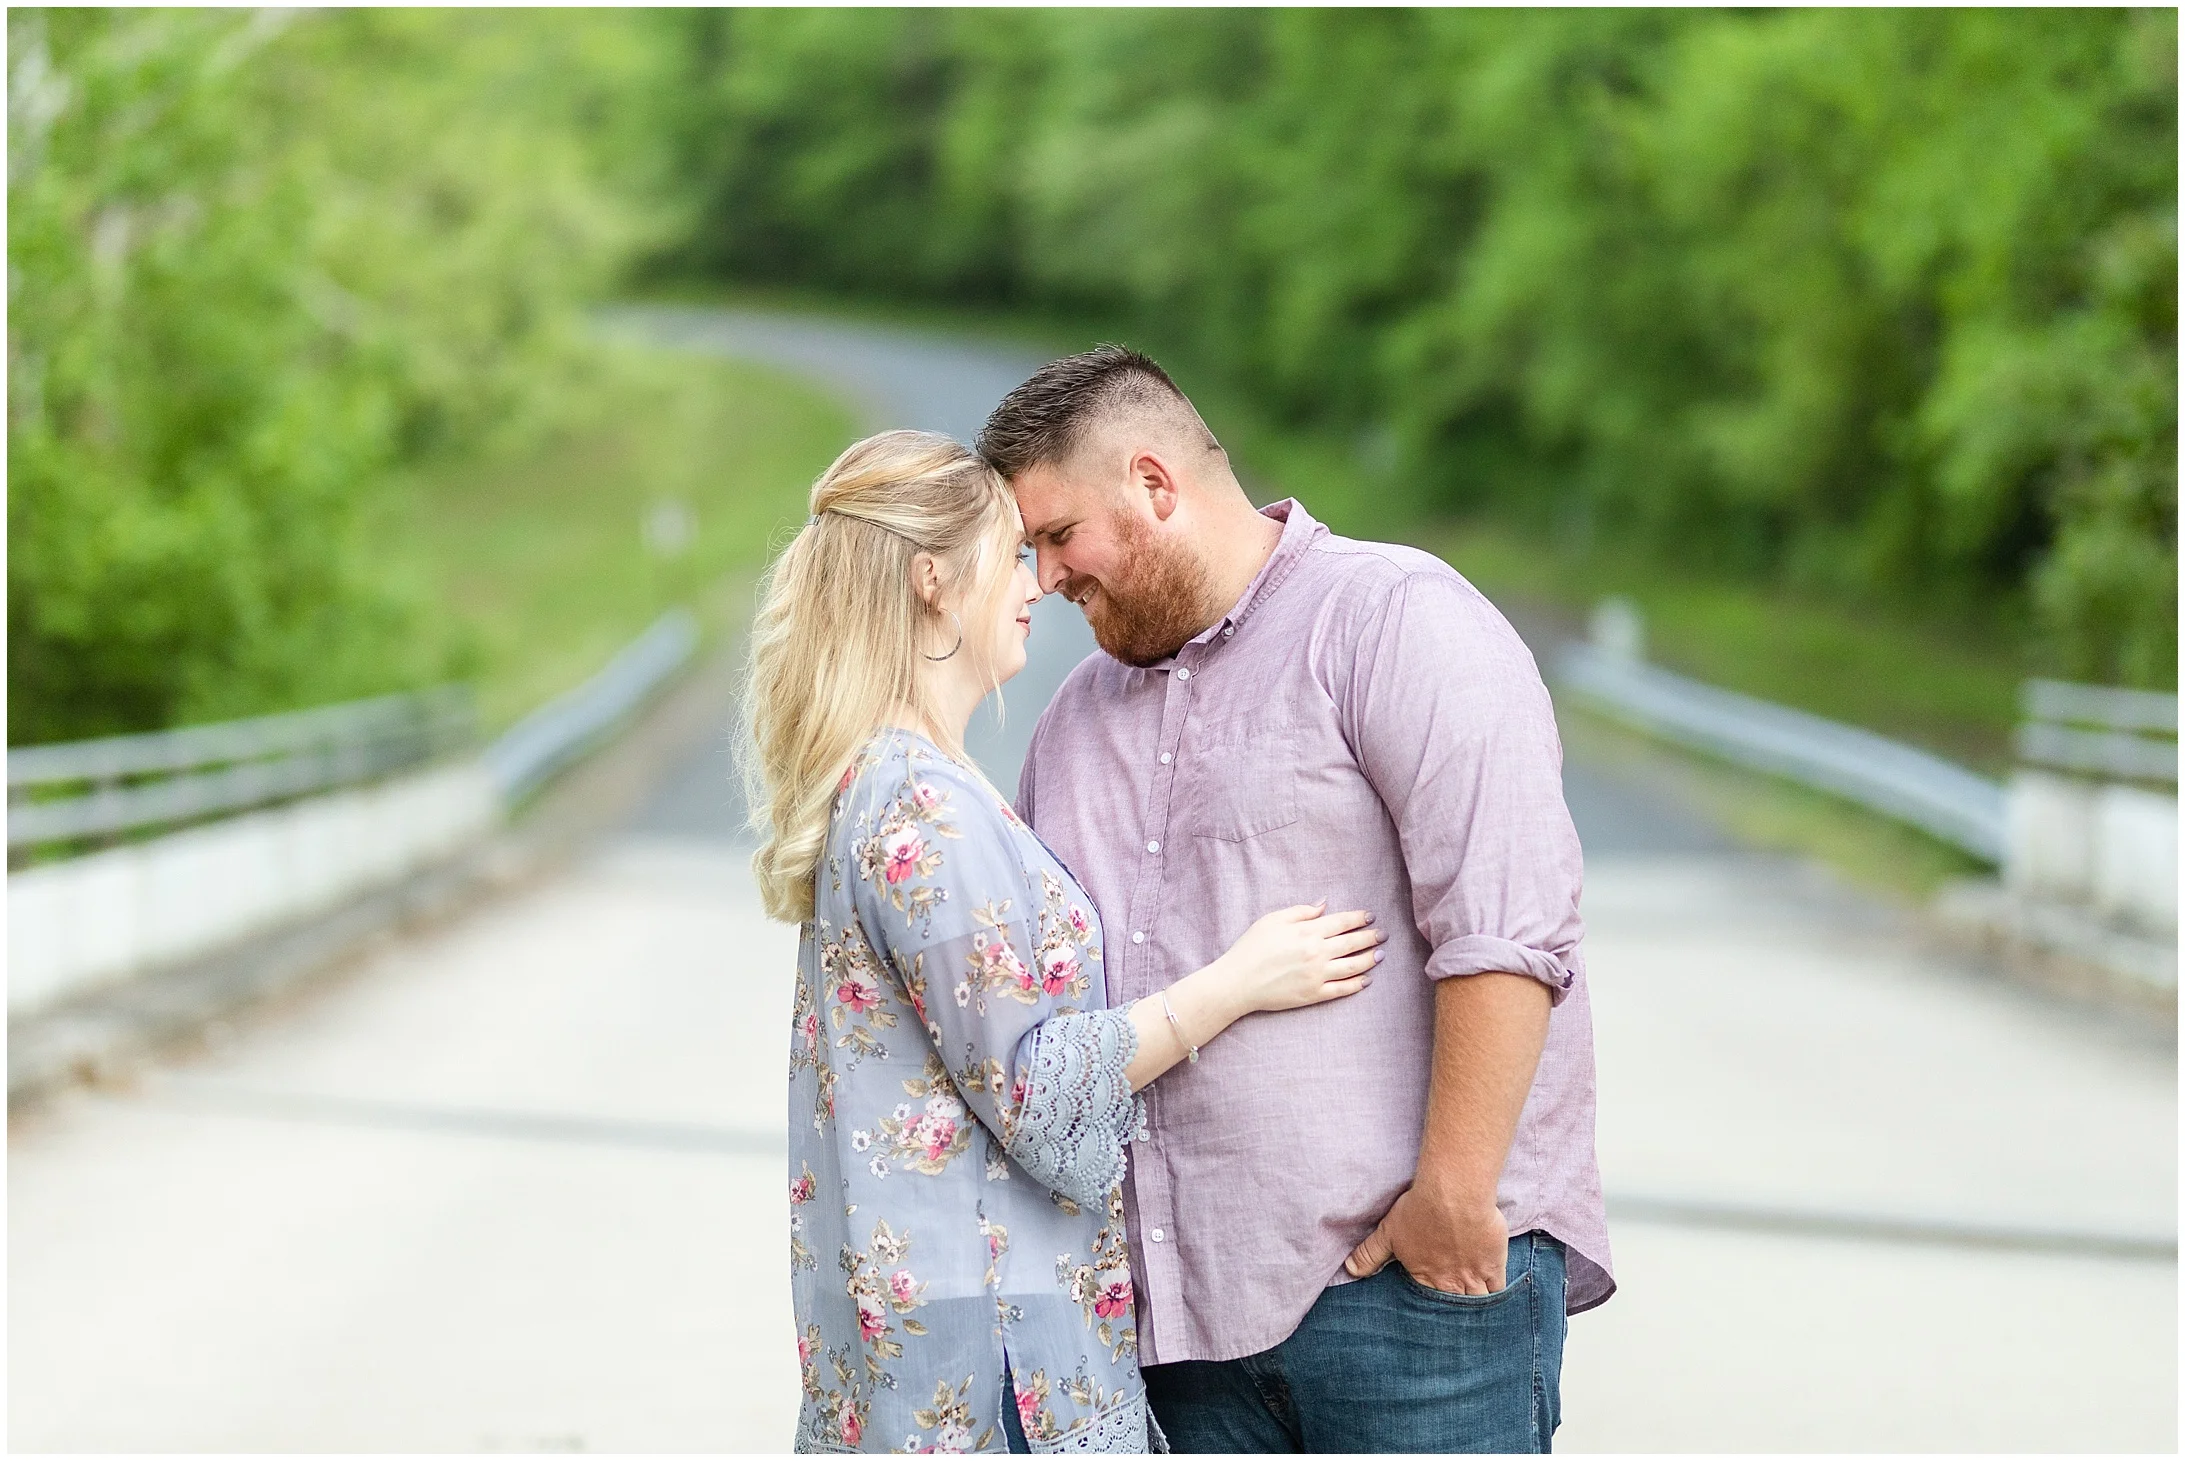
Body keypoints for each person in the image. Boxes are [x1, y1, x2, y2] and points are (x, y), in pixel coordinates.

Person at [980, 349, 1615, 1454]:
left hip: (1406, 1307)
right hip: (1171, 1340)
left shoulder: (1392, 619)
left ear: (1153, 483)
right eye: (1026, 551)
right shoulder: (1072, 723)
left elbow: (1507, 926)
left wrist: (1452, 1198)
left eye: (1057, 535)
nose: (1042, 577)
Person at [742, 430, 1386, 1454]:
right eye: (1009, 555)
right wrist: (1239, 981)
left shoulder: (892, 785)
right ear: (931, 582)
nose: (1035, 584)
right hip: (989, 1353)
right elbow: (1035, 1091)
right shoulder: (922, 809)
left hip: (942, 1334)